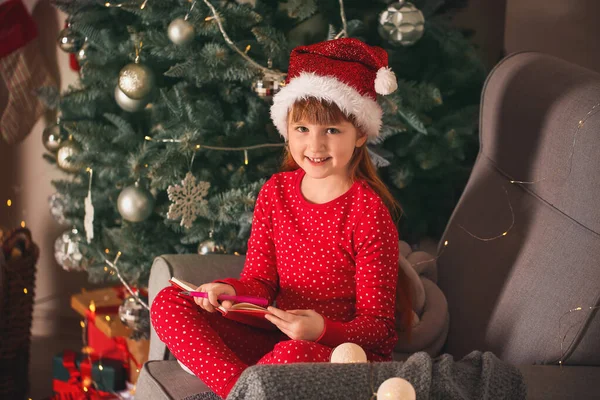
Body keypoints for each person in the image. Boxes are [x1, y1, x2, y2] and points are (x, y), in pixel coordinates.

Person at [151, 37, 413, 399]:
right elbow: (260, 282)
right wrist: (231, 290)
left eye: (332, 131)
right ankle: (243, 390)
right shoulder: (276, 191)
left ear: (360, 135)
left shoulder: (369, 214)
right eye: (302, 129)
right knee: (169, 302)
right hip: (270, 332)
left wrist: (320, 329)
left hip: (334, 350)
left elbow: (379, 331)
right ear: (286, 128)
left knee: (292, 354)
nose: (315, 146)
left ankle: (257, 385)